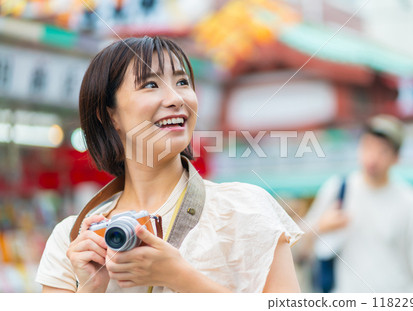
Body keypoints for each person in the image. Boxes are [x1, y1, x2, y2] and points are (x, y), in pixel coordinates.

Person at [35, 36, 302, 293]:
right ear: (110, 114)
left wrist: (180, 277)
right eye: (151, 85)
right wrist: (90, 289)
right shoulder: (73, 240)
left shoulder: (246, 209)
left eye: (183, 81)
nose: (177, 99)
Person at [299, 115, 413, 293]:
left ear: (396, 158)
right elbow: (299, 245)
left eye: (383, 150)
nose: (373, 157)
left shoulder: (410, 200)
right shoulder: (338, 189)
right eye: (368, 146)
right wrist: (319, 226)